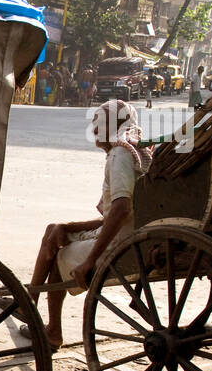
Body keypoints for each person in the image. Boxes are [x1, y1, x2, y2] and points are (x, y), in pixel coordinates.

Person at [27, 99, 149, 349]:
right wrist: (70, 226)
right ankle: (29, 301)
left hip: (121, 244)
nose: (93, 129)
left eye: (98, 122)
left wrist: (90, 260)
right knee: (55, 229)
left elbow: (121, 209)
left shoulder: (120, 155)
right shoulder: (138, 152)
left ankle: (49, 327)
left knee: (59, 255)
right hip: (131, 232)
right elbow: (119, 213)